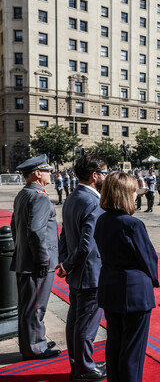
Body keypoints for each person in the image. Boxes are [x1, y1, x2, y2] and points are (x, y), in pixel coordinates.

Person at [94, 172, 159, 382]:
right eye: (133, 191)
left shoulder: (102, 220)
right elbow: (148, 258)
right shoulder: (132, 224)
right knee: (133, 351)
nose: (136, 195)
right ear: (123, 194)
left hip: (110, 286)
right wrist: (153, 280)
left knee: (114, 345)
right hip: (134, 291)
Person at [56, 154, 108, 380]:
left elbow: (64, 235)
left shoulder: (72, 196)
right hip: (91, 274)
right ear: (95, 175)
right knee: (86, 326)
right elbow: (88, 244)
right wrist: (67, 263)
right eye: (105, 172)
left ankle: (78, 364)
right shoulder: (93, 202)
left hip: (77, 272)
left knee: (75, 323)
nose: (107, 176)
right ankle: (85, 369)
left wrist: (65, 262)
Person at [10, 154, 61, 360]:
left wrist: (22, 249)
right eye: (47, 170)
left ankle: (32, 340)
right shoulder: (39, 197)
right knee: (36, 307)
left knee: (27, 306)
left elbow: (15, 227)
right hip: (36, 262)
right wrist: (42, 260)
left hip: (25, 258)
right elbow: (36, 232)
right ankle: (35, 348)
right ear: (37, 173)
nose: (51, 173)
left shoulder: (24, 193)